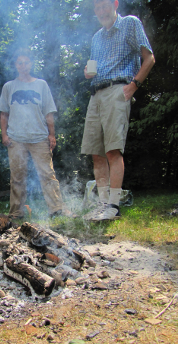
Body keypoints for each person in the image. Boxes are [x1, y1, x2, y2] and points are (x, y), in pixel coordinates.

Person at [82, 0, 154, 221]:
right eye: (97, 8)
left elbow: (149, 58)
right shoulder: (96, 37)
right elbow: (94, 66)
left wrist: (134, 86)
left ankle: (113, 205)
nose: (101, 11)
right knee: (96, 152)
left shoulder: (130, 24)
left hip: (118, 90)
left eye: (104, 5)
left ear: (115, 3)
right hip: (96, 94)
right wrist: (88, 72)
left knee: (113, 150)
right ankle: (102, 204)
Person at [0, 49, 70, 219]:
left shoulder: (41, 85)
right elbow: (3, 114)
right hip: (16, 139)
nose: (23, 65)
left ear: (31, 64)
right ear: (16, 65)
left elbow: (49, 112)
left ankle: (56, 209)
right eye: (19, 62)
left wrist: (52, 135)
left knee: (47, 174)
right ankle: (16, 212)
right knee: (17, 177)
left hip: (39, 137)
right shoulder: (9, 87)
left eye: (26, 62)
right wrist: (4, 135)